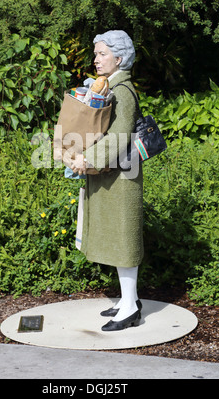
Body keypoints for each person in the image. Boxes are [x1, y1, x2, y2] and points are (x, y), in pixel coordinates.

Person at [71, 30, 144, 331]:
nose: (96, 59)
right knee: (117, 237)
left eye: (102, 54)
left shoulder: (122, 91)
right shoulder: (107, 87)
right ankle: (128, 299)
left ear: (119, 57)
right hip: (113, 175)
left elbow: (119, 135)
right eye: (96, 53)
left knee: (123, 238)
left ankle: (130, 308)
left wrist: (86, 160)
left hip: (122, 178)